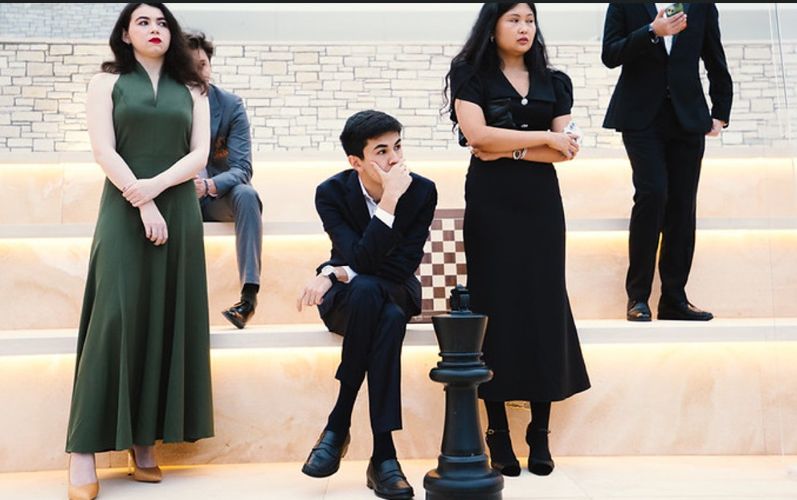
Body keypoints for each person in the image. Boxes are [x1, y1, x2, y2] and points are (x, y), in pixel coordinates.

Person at [65, 3, 213, 499]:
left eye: (162, 22)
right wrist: (143, 199)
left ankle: (143, 441)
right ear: (125, 35)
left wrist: (157, 189)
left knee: (163, 317)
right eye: (143, 22)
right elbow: (103, 151)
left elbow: (198, 154)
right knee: (113, 321)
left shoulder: (193, 89)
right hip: (123, 209)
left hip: (178, 211)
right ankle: (82, 449)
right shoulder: (105, 83)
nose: (155, 29)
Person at [444, 2, 590, 477]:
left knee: (543, 305)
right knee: (496, 306)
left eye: (529, 20)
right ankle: (498, 432)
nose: (524, 27)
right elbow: (476, 137)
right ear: (493, 27)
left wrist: (515, 149)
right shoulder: (470, 73)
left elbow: (565, 150)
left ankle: (539, 433)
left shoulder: (555, 81)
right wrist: (540, 140)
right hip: (492, 204)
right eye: (514, 19)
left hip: (541, 205)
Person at [296, 110, 437, 499]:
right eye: (382, 151)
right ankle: (384, 457)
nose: (395, 159)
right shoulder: (330, 193)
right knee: (383, 314)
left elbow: (399, 266)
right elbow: (360, 257)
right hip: (350, 302)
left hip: (396, 289)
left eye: (398, 147)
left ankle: (338, 422)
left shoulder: (422, 191)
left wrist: (333, 272)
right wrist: (388, 201)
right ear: (355, 161)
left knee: (372, 292)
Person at [601, 3, 733, 322]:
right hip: (640, 118)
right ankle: (638, 297)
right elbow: (610, 54)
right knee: (653, 194)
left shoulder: (702, 6)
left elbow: (715, 58)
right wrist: (652, 32)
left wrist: (721, 111)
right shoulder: (624, 4)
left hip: (688, 118)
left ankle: (674, 299)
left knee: (682, 205)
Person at [186, 31, 263, 329]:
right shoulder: (164, 106)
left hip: (216, 197)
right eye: (188, 66)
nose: (197, 73)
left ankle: (248, 297)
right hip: (174, 198)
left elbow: (242, 167)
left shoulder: (230, 105)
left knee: (246, 194)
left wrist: (207, 186)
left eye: (202, 65)